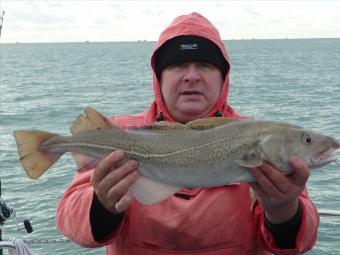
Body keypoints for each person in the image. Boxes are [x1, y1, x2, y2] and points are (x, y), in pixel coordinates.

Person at [56, 12, 319, 255]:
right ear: (158, 78)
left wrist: (283, 207)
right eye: (178, 65)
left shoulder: (260, 137)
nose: (191, 76)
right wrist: (102, 205)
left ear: (223, 77)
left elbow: (299, 241)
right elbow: (70, 218)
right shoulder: (121, 133)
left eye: (204, 65)